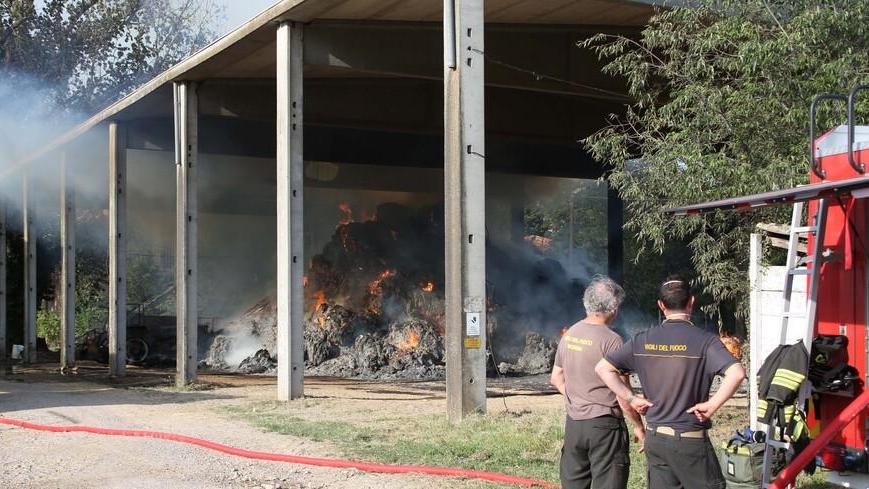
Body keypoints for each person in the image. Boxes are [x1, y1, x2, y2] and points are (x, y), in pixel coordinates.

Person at [595, 276, 746, 489]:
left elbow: (602, 368)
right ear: (692, 302)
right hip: (691, 443)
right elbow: (737, 373)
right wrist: (712, 405)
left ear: (661, 305)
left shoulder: (642, 340)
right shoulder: (706, 341)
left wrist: (631, 398)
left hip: (656, 441)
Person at [550, 275, 645, 489]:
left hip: (574, 426)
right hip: (605, 428)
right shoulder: (612, 341)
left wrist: (577, 397)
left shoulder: (569, 334)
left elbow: (556, 378)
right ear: (614, 308)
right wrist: (639, 426)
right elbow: (623, 395)